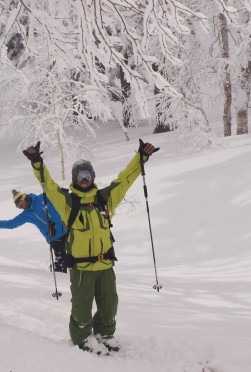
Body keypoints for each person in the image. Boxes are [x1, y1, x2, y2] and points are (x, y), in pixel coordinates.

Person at [22, 140, 159, 353]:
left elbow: (125, 180)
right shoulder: (67, 202)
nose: (84, 180)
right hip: (81, 270)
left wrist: (140, 158)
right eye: (79, 176)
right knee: (81, 309)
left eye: (87, 175)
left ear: (93, 177)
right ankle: (82, 340)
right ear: (74, 179)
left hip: (105, 265)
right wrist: (37, 162)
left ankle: (105, 335)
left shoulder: (105, 199)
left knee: (109, 306)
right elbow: (47, 184)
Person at [0, 189, 68, 272]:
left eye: (20, 205)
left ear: (24, 198)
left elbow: (58, 197)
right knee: (61, 261)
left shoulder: (42, 198)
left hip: (66, 228)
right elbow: (11, 224)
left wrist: (63, 192)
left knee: (75, 255)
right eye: (18, 207)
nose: (21, 208)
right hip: (53, 236)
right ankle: (59, 274)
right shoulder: (26, 215)